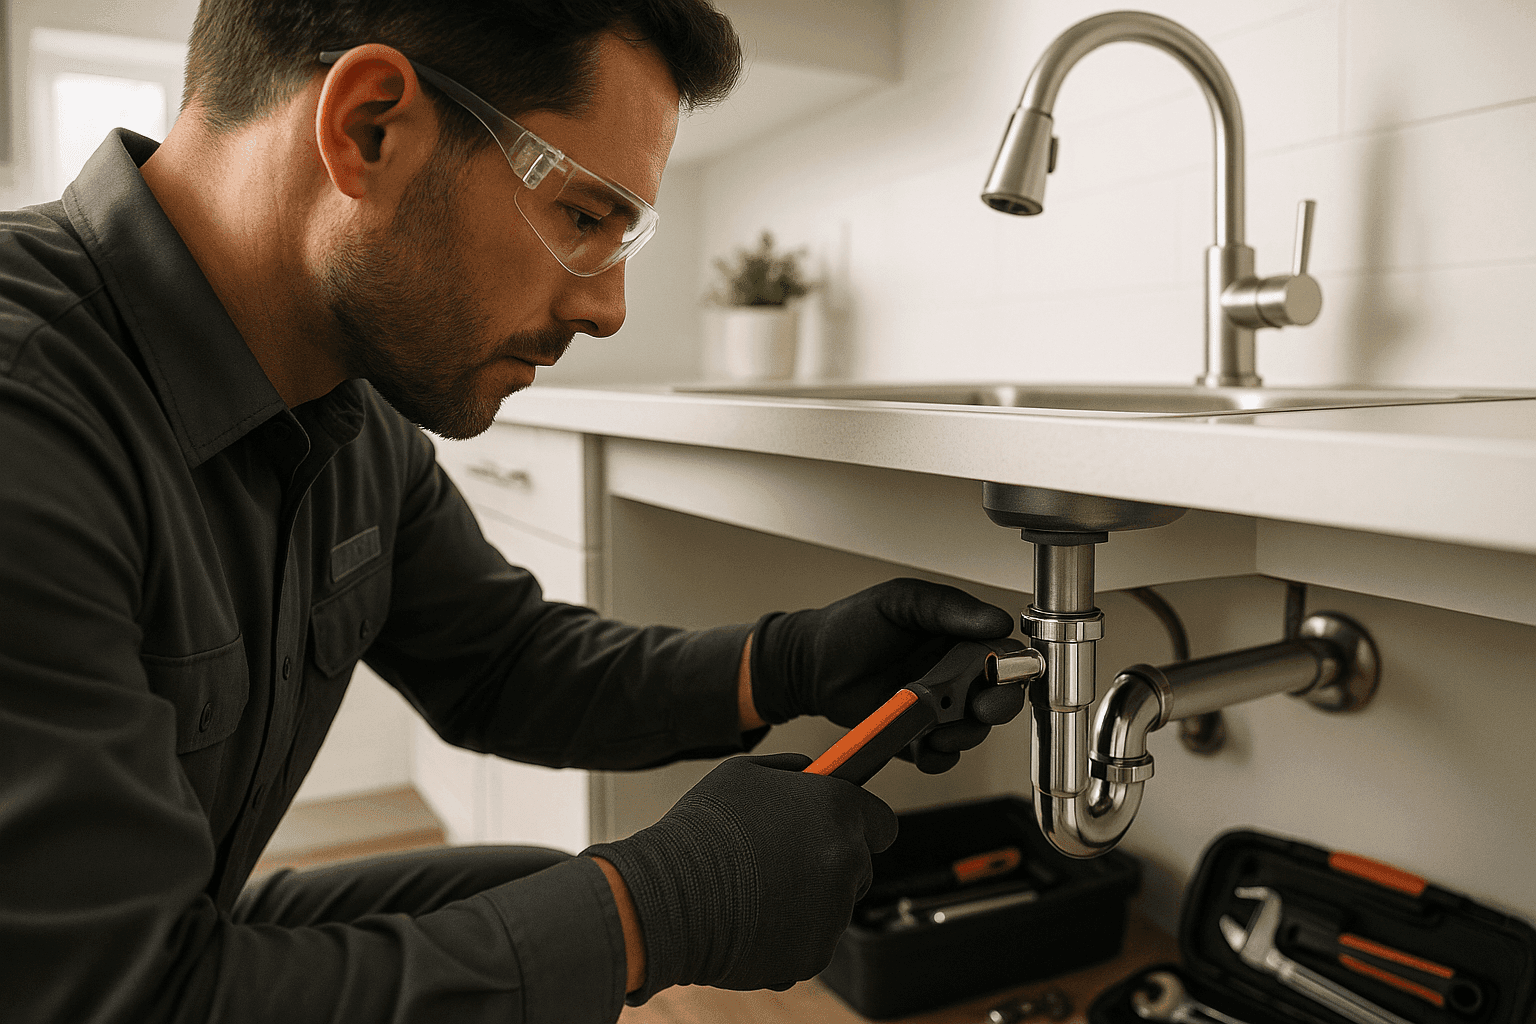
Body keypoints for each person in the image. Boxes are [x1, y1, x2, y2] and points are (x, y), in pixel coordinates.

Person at [0, 2, 1023, 1021]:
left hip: (156, 939)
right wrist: (656, 910)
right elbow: (117, 999)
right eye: (583, 214)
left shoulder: (348, 413)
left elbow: (501, 661)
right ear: (369, 129)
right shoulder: (29, 415)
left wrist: (792, 663)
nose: (607, 308)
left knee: (531, 900)